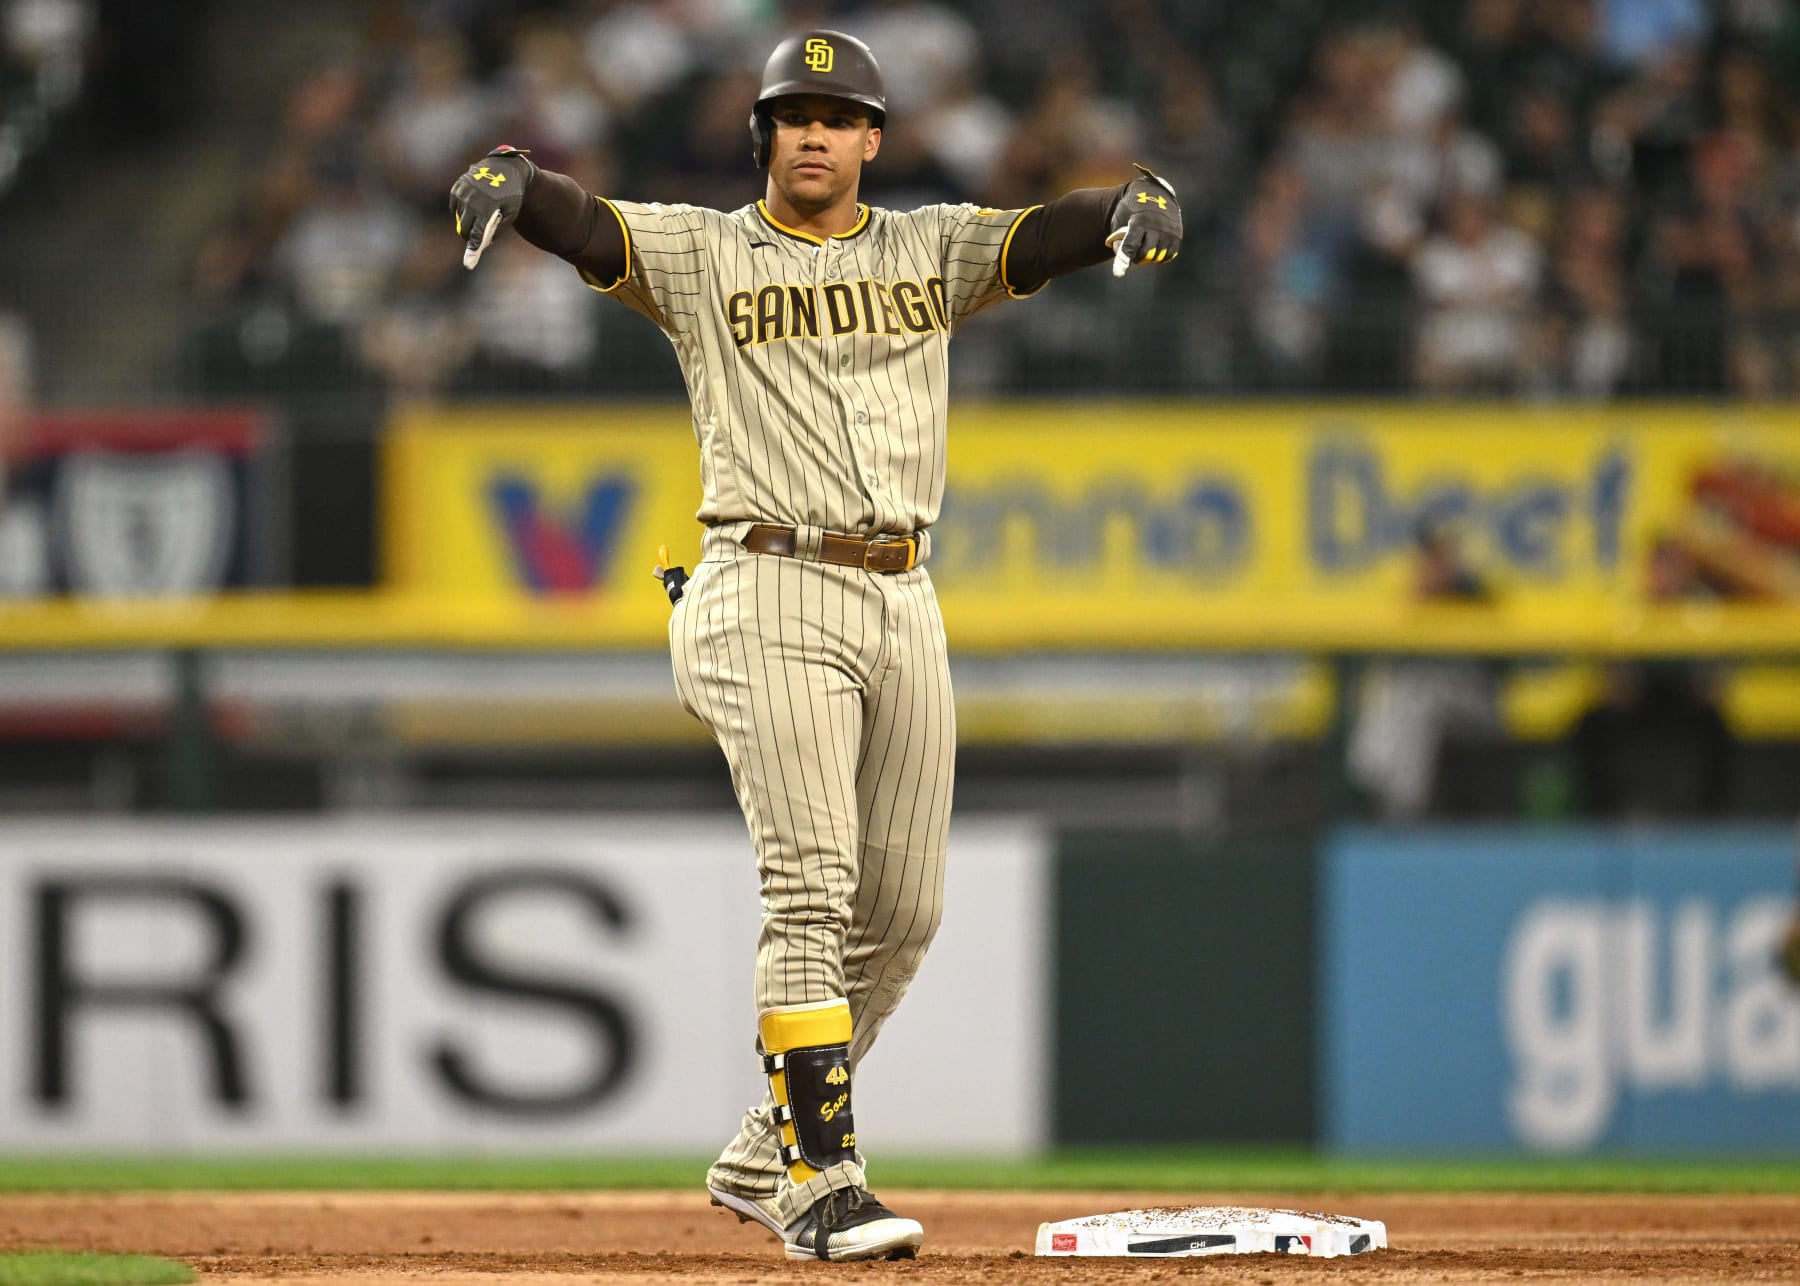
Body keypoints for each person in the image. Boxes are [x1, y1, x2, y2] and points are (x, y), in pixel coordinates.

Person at [447, 29, 1181, 1263]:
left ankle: (757, 1148)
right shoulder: (707, 250)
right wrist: (522, 183)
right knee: (812, 886)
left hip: (903, 591)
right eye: (795, 116)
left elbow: (1039, 236)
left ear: (873, 140)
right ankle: (819, 1178)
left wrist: (1124, 200)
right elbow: (595, 229)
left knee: (905, 907)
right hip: (764, 573)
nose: (816, 134)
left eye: (839, 118)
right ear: (764, 136)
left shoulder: (925, 247)